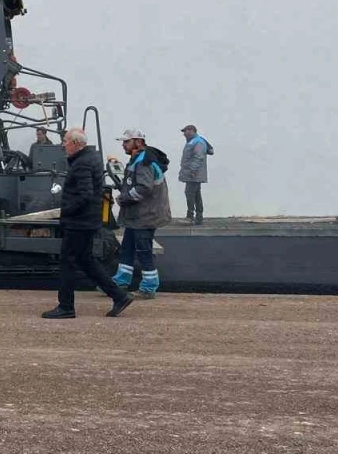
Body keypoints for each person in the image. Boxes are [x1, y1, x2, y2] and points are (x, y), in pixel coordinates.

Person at [41, 128, 133, 319]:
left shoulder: (81, 164)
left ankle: (66, 307)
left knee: (67, 262)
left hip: (78, 223)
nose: (63, 144)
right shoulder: (90, 159)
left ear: (76, 143)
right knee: (86, 261)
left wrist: (66, 211)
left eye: (65, 141)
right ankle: (119, 296)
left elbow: (85, 194)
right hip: (87, 221)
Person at [112, 128, 172, 298]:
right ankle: (120, 281)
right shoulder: (138, 159)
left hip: (145, 216)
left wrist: (124, 198)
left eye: (126, 141)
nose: (123, 145)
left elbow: (144, 188)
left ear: (138, 142)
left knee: (143, 250)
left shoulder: (143, 162)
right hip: (137, 216)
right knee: (127, 248)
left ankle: (149, 287)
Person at [178, 124, 214, 225]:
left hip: (194, 174)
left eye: (185, 131)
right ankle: (198, 217)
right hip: (193, 173)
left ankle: (190, 217)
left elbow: (198, 156)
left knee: (189, 193)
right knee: (196, 194)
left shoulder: (198, 142)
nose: (184, 134)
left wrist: (193, 170)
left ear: (192, 131)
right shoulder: (193, 141)